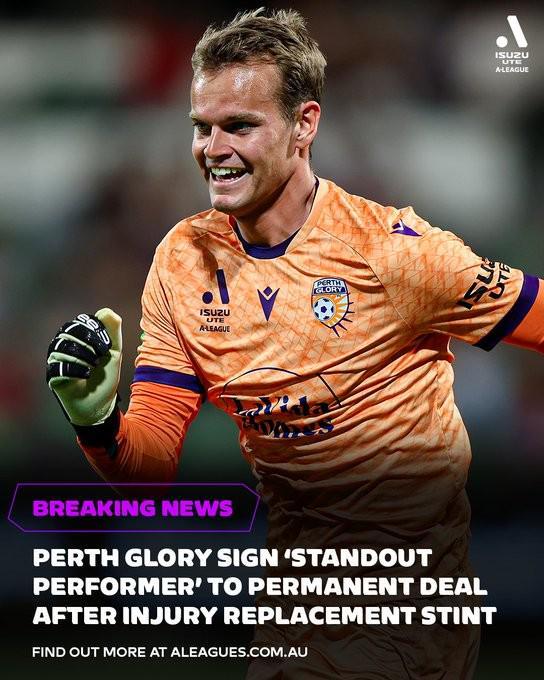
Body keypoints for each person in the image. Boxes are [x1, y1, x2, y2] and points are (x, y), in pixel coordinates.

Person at [46, 8, 544, 679]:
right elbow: (149, 464)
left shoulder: (395, 254)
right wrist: (97, 420)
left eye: (240, 126)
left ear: (304, 125)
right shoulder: (183, 260)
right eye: (202, 127)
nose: (213, 149)